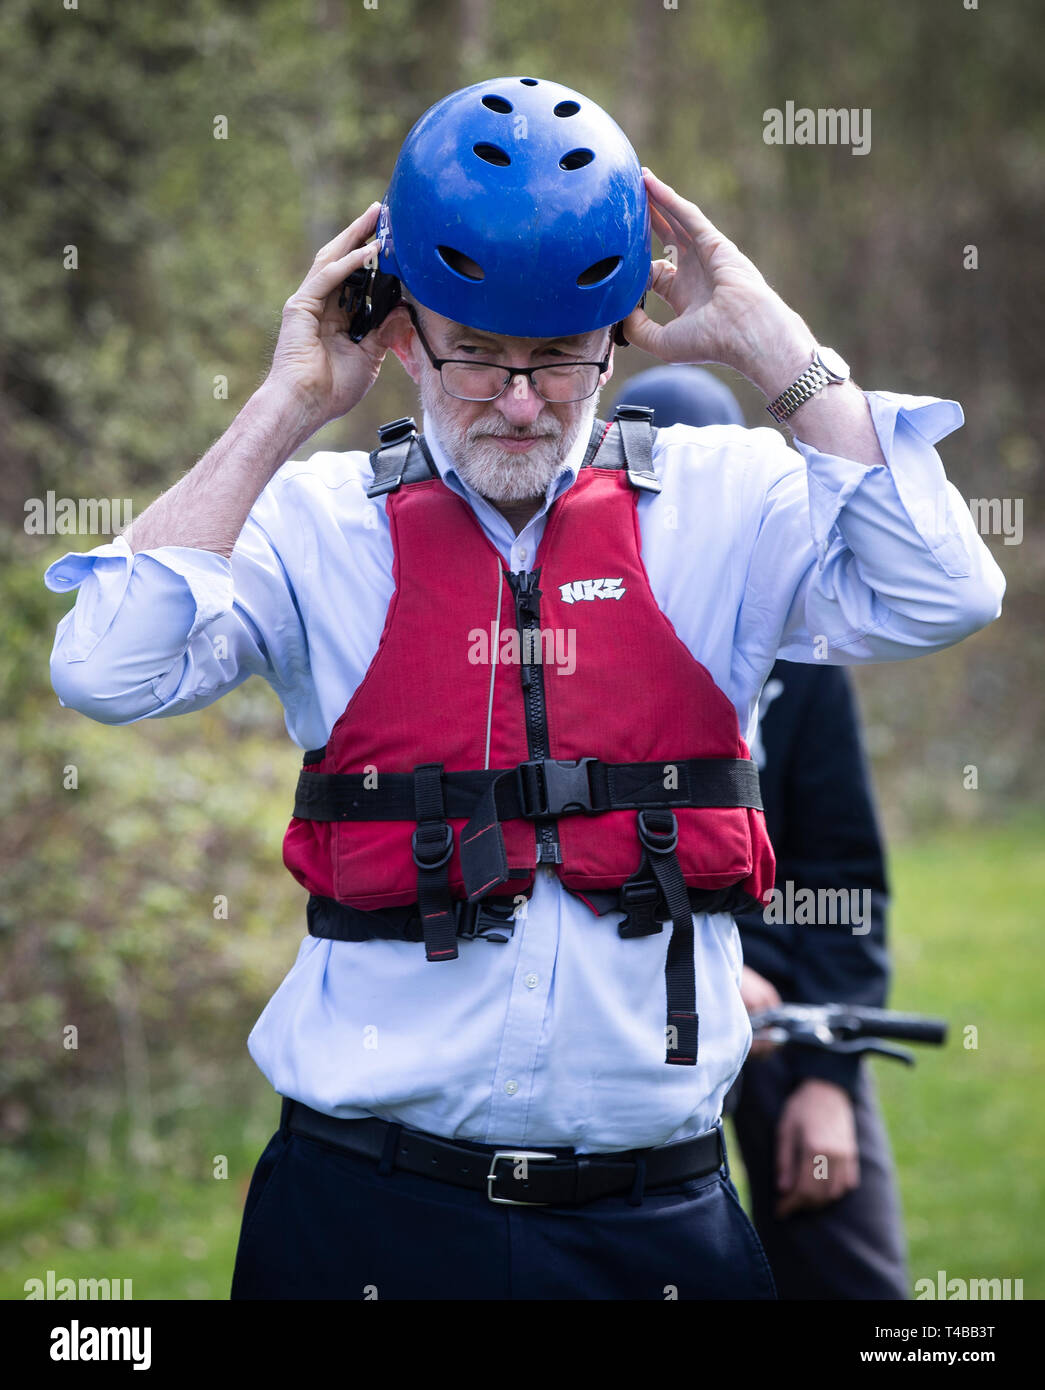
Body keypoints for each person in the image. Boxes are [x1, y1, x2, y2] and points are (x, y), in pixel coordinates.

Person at [45, 76, 1004, 1301]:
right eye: (476, 357)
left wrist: (775, 345)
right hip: (363, 1214)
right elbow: (106, 665)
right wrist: (285, 403)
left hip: (653, 1220)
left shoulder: (728, 501)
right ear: (399, 333)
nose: (515, 400)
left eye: (557, 361)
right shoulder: (313, 524)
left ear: (616, 341)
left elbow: (947, 590)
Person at [610, 366, 907, 1299]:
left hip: (785, 1021)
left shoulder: (800, 640)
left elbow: (841, 863)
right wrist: (701, 952)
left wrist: (828, 1076)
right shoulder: (567, 647)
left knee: (849, 1270)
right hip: (626, 1012)